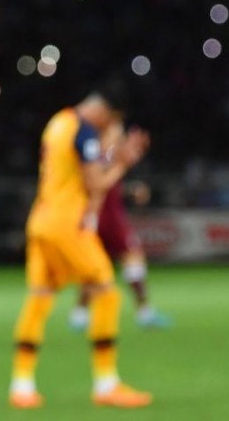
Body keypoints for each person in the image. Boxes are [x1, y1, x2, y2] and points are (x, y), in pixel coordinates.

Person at [9, 88, 152, 409]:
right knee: (106, 291)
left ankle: (21, 385)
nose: (108, 128)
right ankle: (106, 383)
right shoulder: (83, 130)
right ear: (104, 113)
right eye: (111, 122)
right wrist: (123, 164)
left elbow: (77, 168)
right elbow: (96, 184)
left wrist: (111, 157)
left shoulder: (58, 121)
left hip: (40, 219)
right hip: (66, 224)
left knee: (39, 298)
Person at [69, 124, 171, 332]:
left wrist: (129, 189)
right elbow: (98, 184)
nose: (119, 138)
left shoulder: (106, 157)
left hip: (111, 216)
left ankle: (82, 314)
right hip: (99, 218)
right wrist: (124, 163)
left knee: (129, 257)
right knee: (99, 267)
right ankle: (84, 314)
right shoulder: (93, 157)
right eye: (116, 134)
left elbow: (110, 185)